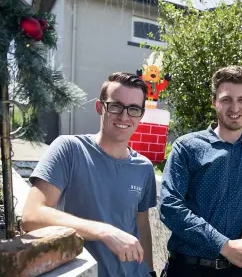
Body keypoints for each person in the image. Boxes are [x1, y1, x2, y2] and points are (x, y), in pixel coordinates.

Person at [22, 72, 158, 277]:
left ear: (141, 115)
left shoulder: (144, 167)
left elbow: (141, 226)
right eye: (115, 106)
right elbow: (32, 216)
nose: (124, 116)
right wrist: (105, 232)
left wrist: (149, 271)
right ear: (99, 107)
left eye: (133, 109)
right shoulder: (69, 150)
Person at [159, 65, 242, 277]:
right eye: (227, 99)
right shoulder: (188, 147)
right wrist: (224, 245)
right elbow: (169, 207)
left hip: (232, 272)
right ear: (214, 102)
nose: (234, 107)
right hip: (185, 269)